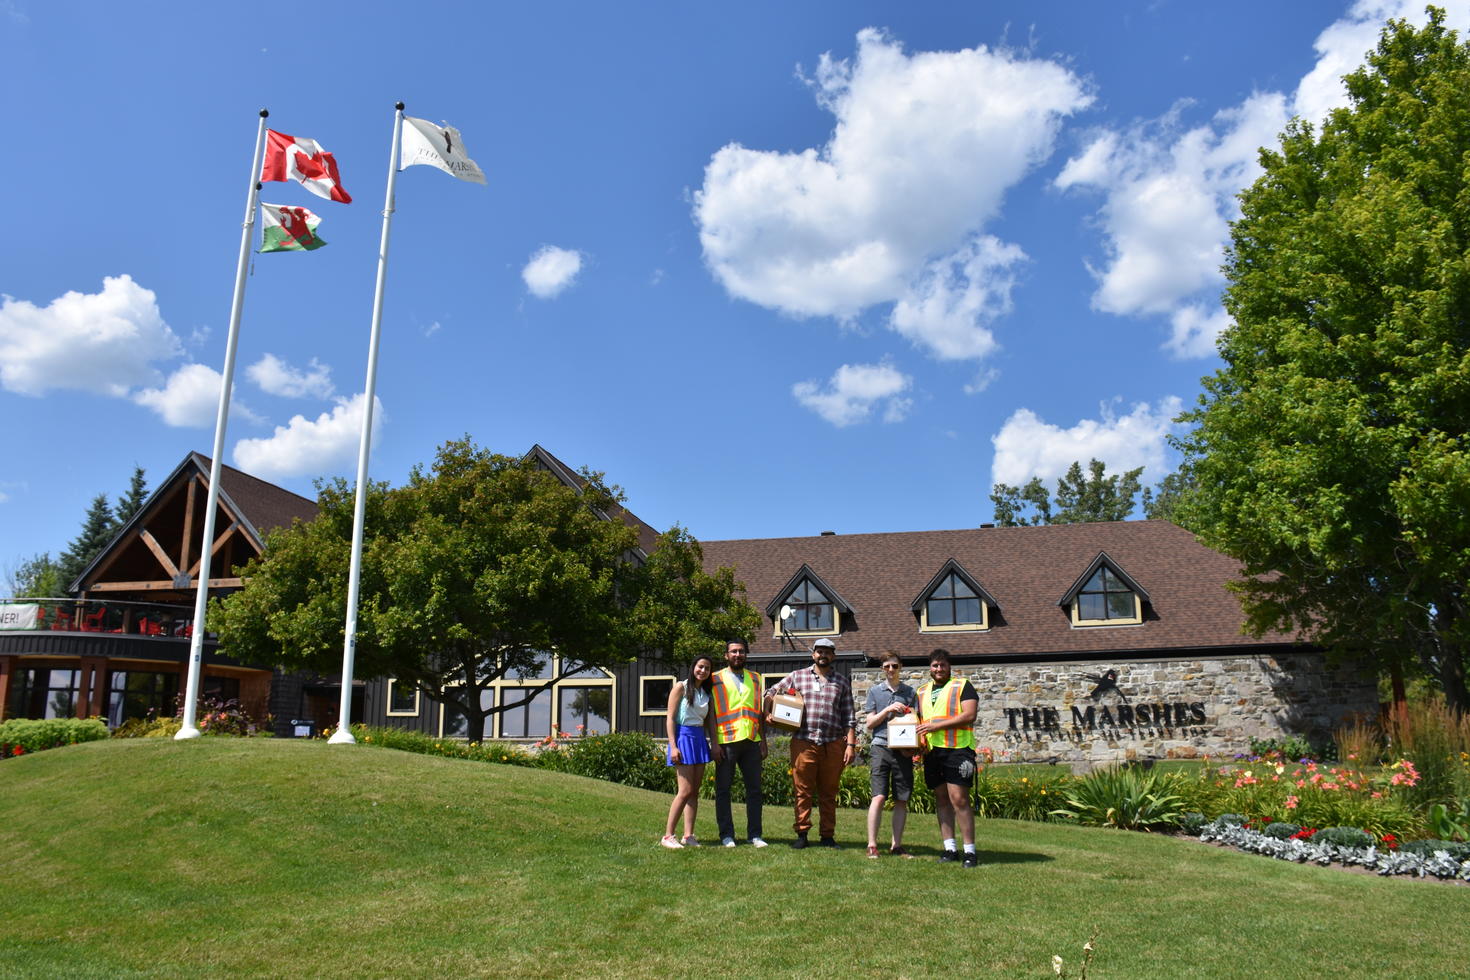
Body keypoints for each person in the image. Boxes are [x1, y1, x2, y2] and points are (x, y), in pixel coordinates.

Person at [766, 637, 857, 849]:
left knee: (829, 792)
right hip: (803, 741)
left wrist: (850, 746)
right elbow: (770, 692)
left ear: (833, 656)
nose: (823, 655)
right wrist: (768, 711)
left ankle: (827, 836)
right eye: (819, 651)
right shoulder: (797, 677)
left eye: (827, 652)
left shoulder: (841, 682)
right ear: (813, 654)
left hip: (833, 743)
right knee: (802, 790)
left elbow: (849, 717)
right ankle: (802, 834)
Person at [914, 648, 980, 868]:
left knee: (959, 799)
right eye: (934, 665)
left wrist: (936, 726)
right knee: (941, 799)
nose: (938, 669)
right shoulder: (922, 691)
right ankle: (949, 848)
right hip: (933, 752)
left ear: (949, 666)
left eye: (942, 665)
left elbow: (969, 715)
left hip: (958, 749)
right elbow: (919, 721)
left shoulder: (962, 686)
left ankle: (970, 851)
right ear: (929, 668)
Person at [710, 639, 768, 847]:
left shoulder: (756, 678)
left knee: (754, 790)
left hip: (752, 741)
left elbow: (758, 712)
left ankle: (755, 835)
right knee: (724, 790)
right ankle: (726, 835)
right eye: (733, 652)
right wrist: (714, 743)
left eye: (741, 651)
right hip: (726, 741)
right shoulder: (715, 678)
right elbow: (711, 714)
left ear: (746, 655)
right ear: (726, 655)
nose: (737, 655)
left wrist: (763, 740)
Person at [863, 651, 917, 858]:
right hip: (880, 747)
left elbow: (915, 720)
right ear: (882, 669)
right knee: (878, 796)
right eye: (887, 666)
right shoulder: (875, 692)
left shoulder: (910, 692)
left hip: (903, 750)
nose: (891, 670)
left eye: (894, 666)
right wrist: (887, 711)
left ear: (900, 667)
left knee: (901, 799)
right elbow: (869, 723)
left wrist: (911, 747)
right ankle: (872, 845)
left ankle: (896, 845)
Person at [661, 654, 716, 849]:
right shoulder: (681, 687)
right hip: (683, 738)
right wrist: (673, 746)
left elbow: (710, 721)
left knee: (694, 791)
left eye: (707, 668)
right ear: (694, 667)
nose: (703, 670)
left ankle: (688, 835)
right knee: (684, 791)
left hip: (700, 739)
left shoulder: (707, 694)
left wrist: (714, 744)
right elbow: (670, 718)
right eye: (700, 666)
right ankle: (668, 836)